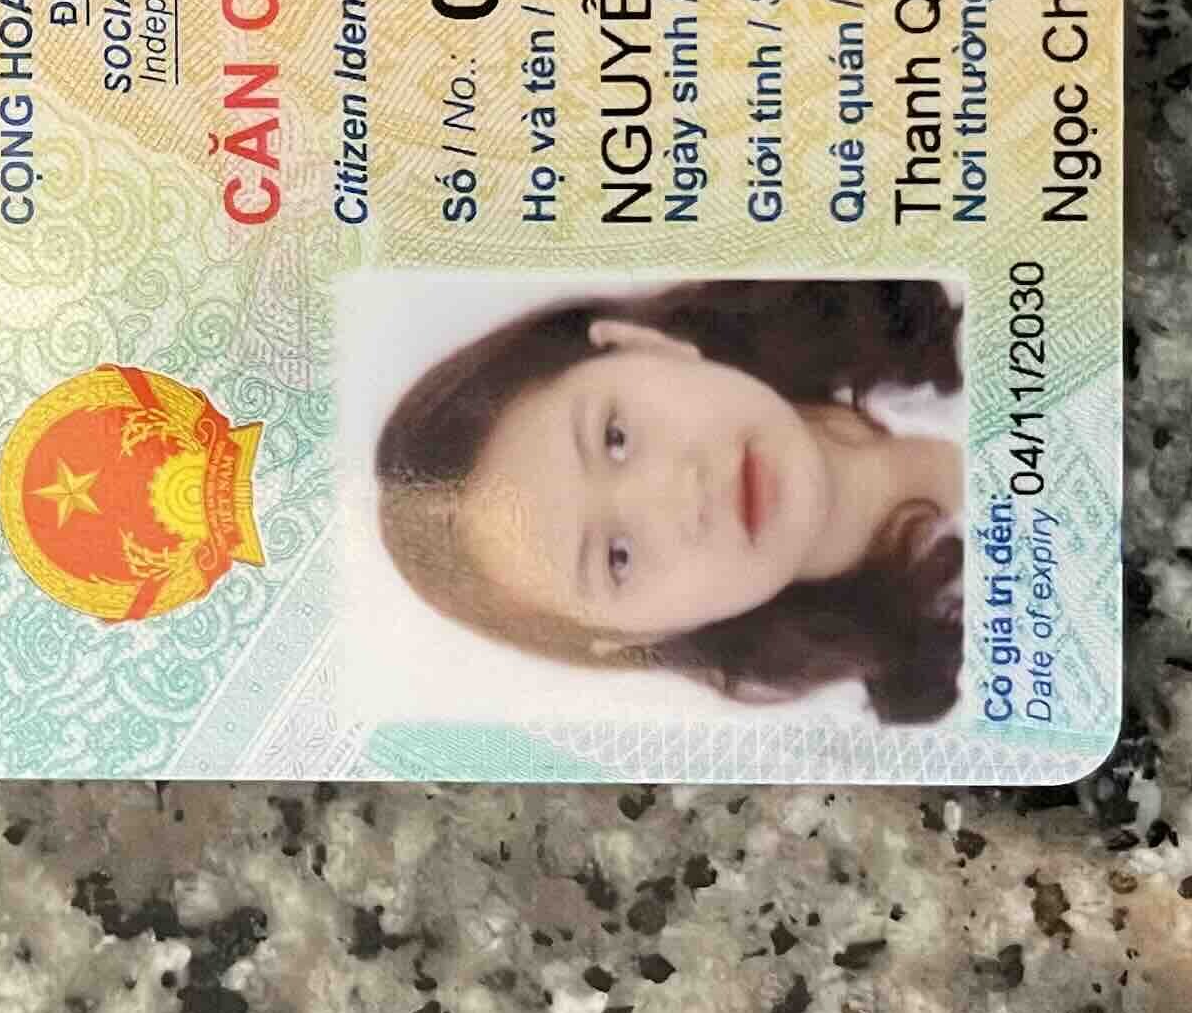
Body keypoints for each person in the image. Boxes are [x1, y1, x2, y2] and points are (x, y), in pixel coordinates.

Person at [371, 278, 964, 722]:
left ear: (641, 345)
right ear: (645, 636)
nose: (679, 494)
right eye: (618, 557)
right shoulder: (960, 697)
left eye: (615, 438)